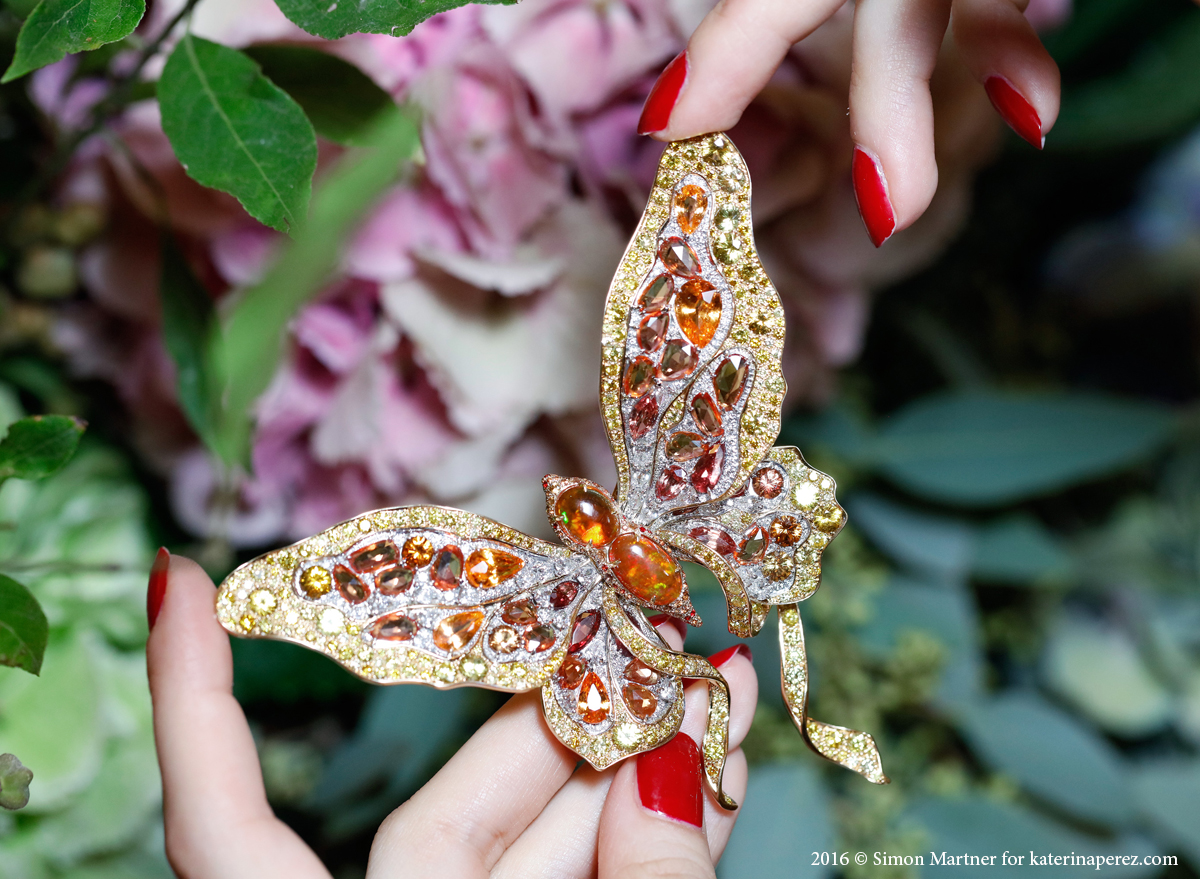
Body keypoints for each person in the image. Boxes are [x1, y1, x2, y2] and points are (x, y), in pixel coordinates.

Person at [146, 2, 1060, 874]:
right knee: (697, 691)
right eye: (579, 514)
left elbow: (689, 287)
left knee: (698, 686)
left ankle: (803, 720)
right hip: (651, 572)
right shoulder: (577, 548)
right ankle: (799, 719)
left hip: (657, 562)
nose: (577, 510)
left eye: (578, 510)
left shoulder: (589, 515)